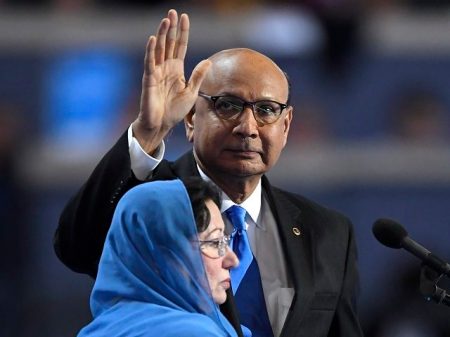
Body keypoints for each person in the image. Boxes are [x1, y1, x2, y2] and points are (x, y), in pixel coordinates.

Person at [55, 8, 364, 337]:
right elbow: (76, 248)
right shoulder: (152, 205)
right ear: (191, 119)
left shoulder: (328, 232)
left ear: (285, 126)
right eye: (227, 105)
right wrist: (149, 132)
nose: (248, 128)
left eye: (266, 110)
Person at [77, 178, 239, 336]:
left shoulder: (95, 330)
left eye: (225, 241)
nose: (232, 260)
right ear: (159, 257)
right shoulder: (193, 332)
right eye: (214, 242)